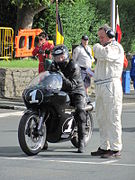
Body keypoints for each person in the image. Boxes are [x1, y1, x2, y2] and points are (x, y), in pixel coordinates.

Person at [91, 24, 124, 158]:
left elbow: (105, 55)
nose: (100, 40)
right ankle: (105, 146)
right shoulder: (103, 47)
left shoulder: (115, 47)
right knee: (101, 118)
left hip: (111, 85)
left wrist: (95, 47)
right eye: (99, 37)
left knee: (112, 117)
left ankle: (116, 147)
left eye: (103, 37)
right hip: (100, 85)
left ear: (110, 35)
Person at [50, 44, 87, 153]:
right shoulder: (54, 65)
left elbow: (71, 85)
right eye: (56, 57)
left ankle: (81, 141)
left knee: (80, 111)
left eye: (61, 56)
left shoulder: (73, 65)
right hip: (61, 90)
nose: (59, 59)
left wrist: (60, 75)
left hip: (76, 91)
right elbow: (47, 76)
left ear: (66, 55)